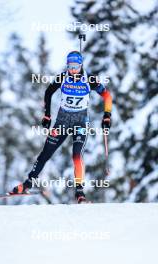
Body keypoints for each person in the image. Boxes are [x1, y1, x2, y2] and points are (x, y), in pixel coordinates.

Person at [10, 51, 112, 203]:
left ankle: (80, 193)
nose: (72, 70)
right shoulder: (62, 77)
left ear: (81, 65)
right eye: (70, 66)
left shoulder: (89, 79)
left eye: (75, 67)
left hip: (81, 122)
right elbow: (48, 92)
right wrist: (47, 115)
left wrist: (107, 115)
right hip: (62, 121)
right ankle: (27, 184)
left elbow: (107, 96)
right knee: (45, 153)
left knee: (77, 155)